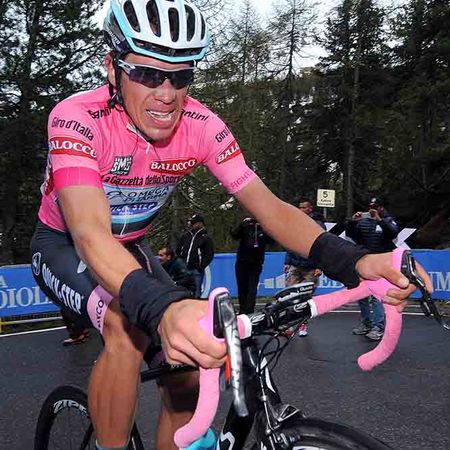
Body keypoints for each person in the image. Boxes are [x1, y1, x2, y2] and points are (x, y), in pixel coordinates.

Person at [29, 1, 429, 449]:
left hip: (130, 247)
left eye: (181, 76)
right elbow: (88, 231)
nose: (166, 93)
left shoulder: (201, 125)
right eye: (147, 74)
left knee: (186, 366)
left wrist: (354, 261)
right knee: (126, 330)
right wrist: (162, 307)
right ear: (112, 68)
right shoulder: (77, 117)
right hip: (65, 244)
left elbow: (270, 208)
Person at [346, 196, 400, 341]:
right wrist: (352, 222)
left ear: (381, 208)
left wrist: (379, 220)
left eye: (376, 207)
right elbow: (352, 236)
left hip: (381, 263)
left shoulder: (388, 220)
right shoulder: (363, 221)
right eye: (371, 207)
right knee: (361, 295)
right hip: (364, 261)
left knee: (376, 296)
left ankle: (378, 327)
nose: (372, 209)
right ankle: (366, 323)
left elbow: (393, 233)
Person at [283, 198, 327, 336]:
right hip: (295, 264)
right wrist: (287, 261)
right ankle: (290, 325)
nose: (302, 210)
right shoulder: (294, 221)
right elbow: (289, 242)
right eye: (300, 207)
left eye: (304, 207)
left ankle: (303, 325)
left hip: (310, 267)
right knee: (290, 296)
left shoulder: (318, 224)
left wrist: (320, 266)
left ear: (310, 209)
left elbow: (323, 246)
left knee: (306, 297)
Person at [230, 216, 271, 314]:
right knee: (242, 287)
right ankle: (242, 309)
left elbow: (271, 241)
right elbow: (234, 235)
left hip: (256, 263)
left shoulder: (263, 226)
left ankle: (249, 310)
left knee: (252, 288)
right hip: (242, 262)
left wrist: (267, 227)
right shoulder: (245, 225)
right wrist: (241, 225)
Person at [176, 214, 214, 298]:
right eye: (191, 222)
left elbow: (209, 254)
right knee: (183, 291)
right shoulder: (185, 236)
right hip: (184, 269)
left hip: (196, 270)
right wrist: (181, 263)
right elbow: (178, 249)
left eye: (194, 223)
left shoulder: (206, 238)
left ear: (200, 223)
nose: (191, 224)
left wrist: (201, 266)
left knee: (196, 291)